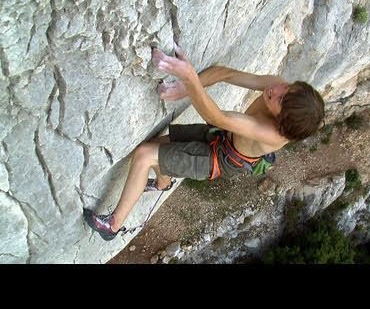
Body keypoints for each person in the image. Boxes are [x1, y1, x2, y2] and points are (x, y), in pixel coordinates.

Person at [83, 43, 325, 240]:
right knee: (157, 145)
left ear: (280, 121)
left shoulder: (271, 133)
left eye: (280, 99)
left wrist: (189, 78)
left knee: (144, 155)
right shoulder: (277, 88)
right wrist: (183, 89)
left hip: (218, 159)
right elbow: (225, 73)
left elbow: (216, 116)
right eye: (287, 87)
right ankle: (162, 183)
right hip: (221, 137)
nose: (276, 90)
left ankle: (112, 227)